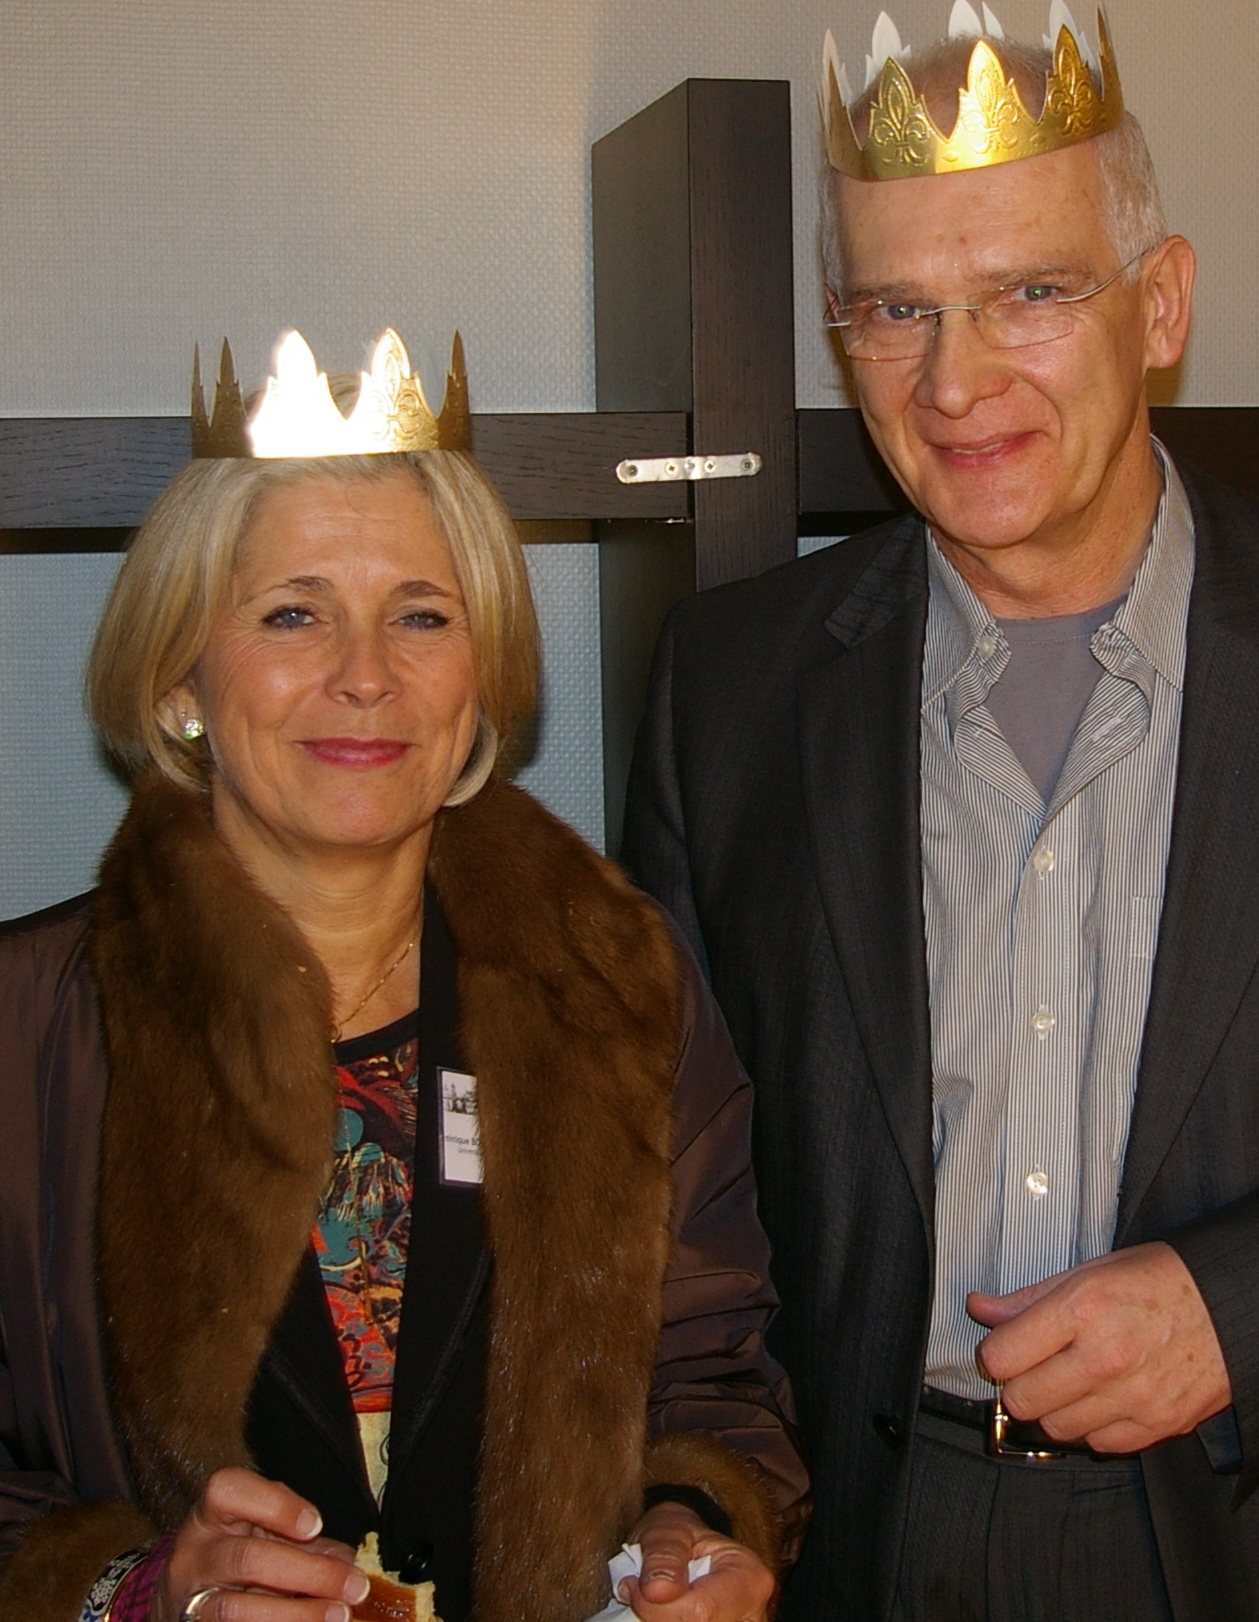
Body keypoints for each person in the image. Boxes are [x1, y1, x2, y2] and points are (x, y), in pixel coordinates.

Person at [622, 0, 1259, 1621]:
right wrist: (690, 1490)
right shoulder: (731, 692)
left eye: (1032, 291)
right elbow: (665, 1191)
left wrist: (1256, 1308)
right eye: (897, 309)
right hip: (857, 1541)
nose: (956, 378)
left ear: (1162, 302)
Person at [0, 329, 808, 1622]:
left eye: (422, 616)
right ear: (180, 676)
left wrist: (687, 1524)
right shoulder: (28, 1031)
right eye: (293, 612)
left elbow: (709, 1371)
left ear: (480, 680)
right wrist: (129, 1592)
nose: (366, 674)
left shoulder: (617, 988)